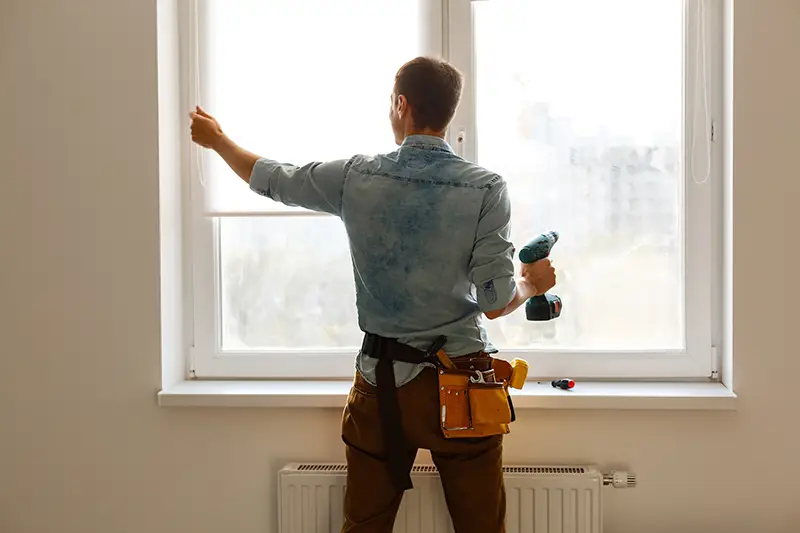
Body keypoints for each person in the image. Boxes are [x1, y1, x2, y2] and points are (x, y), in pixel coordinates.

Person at [190, 56, 557, 533]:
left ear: (401, 105)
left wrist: (217, 141)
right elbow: (494, 301)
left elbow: (274, 178)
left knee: (363, 527)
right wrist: (533, 284)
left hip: (382, 385)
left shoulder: (356, 177)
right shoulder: (486, 188)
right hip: (464, 384)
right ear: (449, 113)